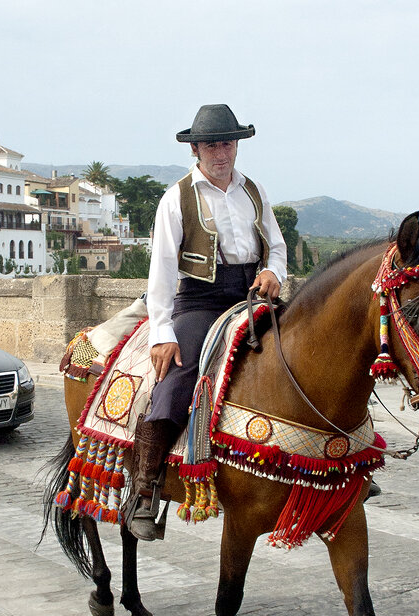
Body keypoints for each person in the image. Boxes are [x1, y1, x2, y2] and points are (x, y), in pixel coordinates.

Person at [127, 104, 288, 541]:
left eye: (228, 142)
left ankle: (341, 455)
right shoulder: (177, 197)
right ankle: (146, 487)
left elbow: (276, 246)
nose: (221, 151)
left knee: (313, 347)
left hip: (252, 294)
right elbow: (160, 272)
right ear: (196, 149)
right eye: (212, 144)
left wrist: (274, 271)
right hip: (200, 301)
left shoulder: (252, 190)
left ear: (237, 146)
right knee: (180, 375)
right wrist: (162, 333)